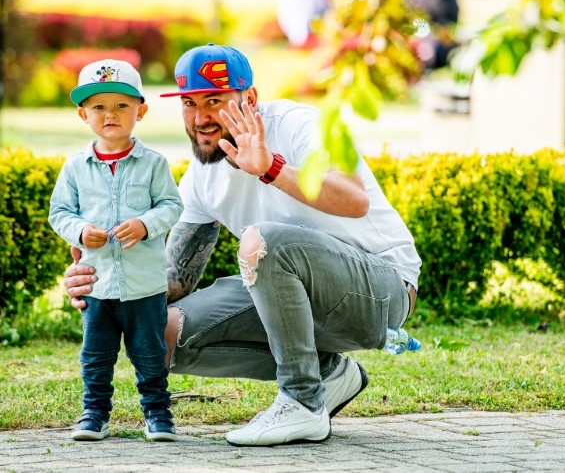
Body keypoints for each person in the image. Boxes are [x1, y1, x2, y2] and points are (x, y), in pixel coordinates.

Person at [64, 44, 421, 447]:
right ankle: (327, 374)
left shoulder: (298, 124)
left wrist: (271, 167)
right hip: (295, 298)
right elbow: (173, 279)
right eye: (190, 103)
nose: (200, 118)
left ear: (249, 98)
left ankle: (302, 401)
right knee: (156, 332)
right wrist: (102, 282)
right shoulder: (202, 175)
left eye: (214, 101)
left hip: (381, 291)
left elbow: (355, 201)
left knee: (262, 240)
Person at [49, 58, 183, 442]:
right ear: (83, 114)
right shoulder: (75, 167)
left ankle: (158, 414)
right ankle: (94, 414)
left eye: (122, 105)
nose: (110, 114)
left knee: (150, 355)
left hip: (144, 286)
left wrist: (145, 224)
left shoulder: (153, 164)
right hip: (98, 286)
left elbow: (171, 206)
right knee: (96, 356)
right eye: (99, 107)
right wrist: (79, 231)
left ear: (141, 111)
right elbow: (60, 213)